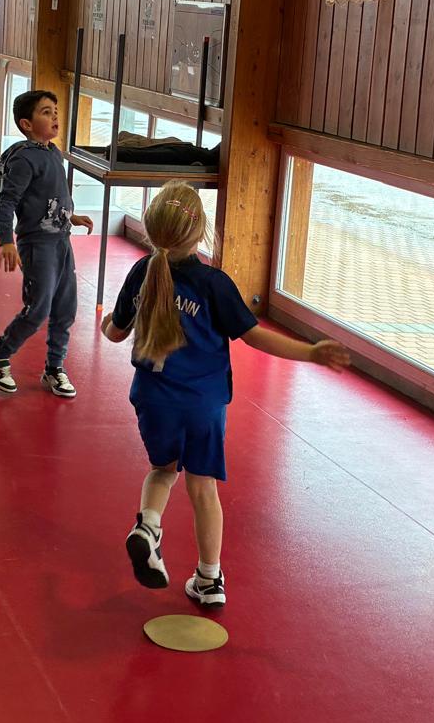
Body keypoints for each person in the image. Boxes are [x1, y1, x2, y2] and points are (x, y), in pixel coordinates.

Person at [102, 183, 351, 608]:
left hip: (152, 398)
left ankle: (148, 525)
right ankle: (208, 578)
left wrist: (107, 320)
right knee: (203, 488)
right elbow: (254, 336)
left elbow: (115, 332)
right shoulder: (212, 284)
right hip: (202, 403)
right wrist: (309, 353)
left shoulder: (142, 271)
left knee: (162, 470)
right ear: (200, 231)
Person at [0, 90, 94, 399]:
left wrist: (71, 216)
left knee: (65, 308)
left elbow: (51, 196)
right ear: (26, 124)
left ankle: (54, 368)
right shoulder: (24, 159)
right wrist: (6, 241)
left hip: (61, 242)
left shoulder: (54, 153)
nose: (54, 116)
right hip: (37, 246)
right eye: (46, 112)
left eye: (55, 110)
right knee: (38, 308)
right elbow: (7, 202)